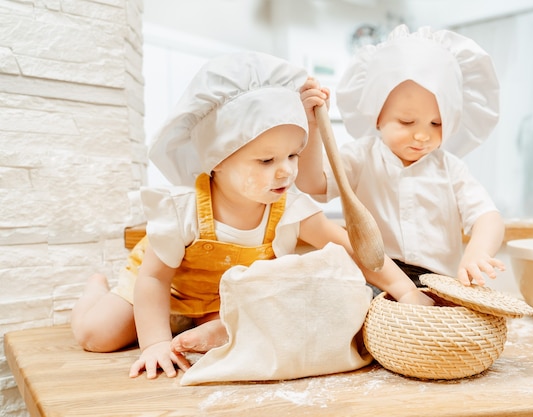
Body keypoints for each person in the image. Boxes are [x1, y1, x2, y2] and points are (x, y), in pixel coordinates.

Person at [71, 51, 433, 381]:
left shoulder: (289, 206)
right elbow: (154, 278)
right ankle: (97, 290)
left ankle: (202, 328)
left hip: (224, 298)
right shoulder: (183, 209)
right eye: (266, 160)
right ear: (217, 160)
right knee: (97, 336)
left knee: (252, 340)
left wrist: (403, 289)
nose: (286, 172)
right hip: (167, 288)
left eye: (293, 156)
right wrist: (154, 344)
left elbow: (356, 246)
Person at [297, 25, 506, 289]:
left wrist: (477, 253)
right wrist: (314, 128)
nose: (422, 135)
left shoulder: (450, 169)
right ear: (377, 115)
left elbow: (488, 217)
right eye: (407, 121)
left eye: (436, 123)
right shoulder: (362, 157)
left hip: (438, 283)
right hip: (375, 277)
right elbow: (312, 183)